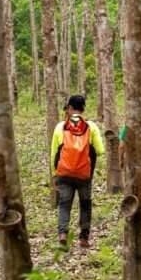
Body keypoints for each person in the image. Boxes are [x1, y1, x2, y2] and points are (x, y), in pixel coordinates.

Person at [50, 95, 105, 248]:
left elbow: (54, 152)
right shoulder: (91, 126)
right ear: (83, 108)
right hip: (84, 174)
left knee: (64, 204)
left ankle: (62, 234)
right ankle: (84, 238)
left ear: (69, 107)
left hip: (64, 172)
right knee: (85, 204)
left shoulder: (60, 126)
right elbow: (100, 150)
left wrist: (54, 173)